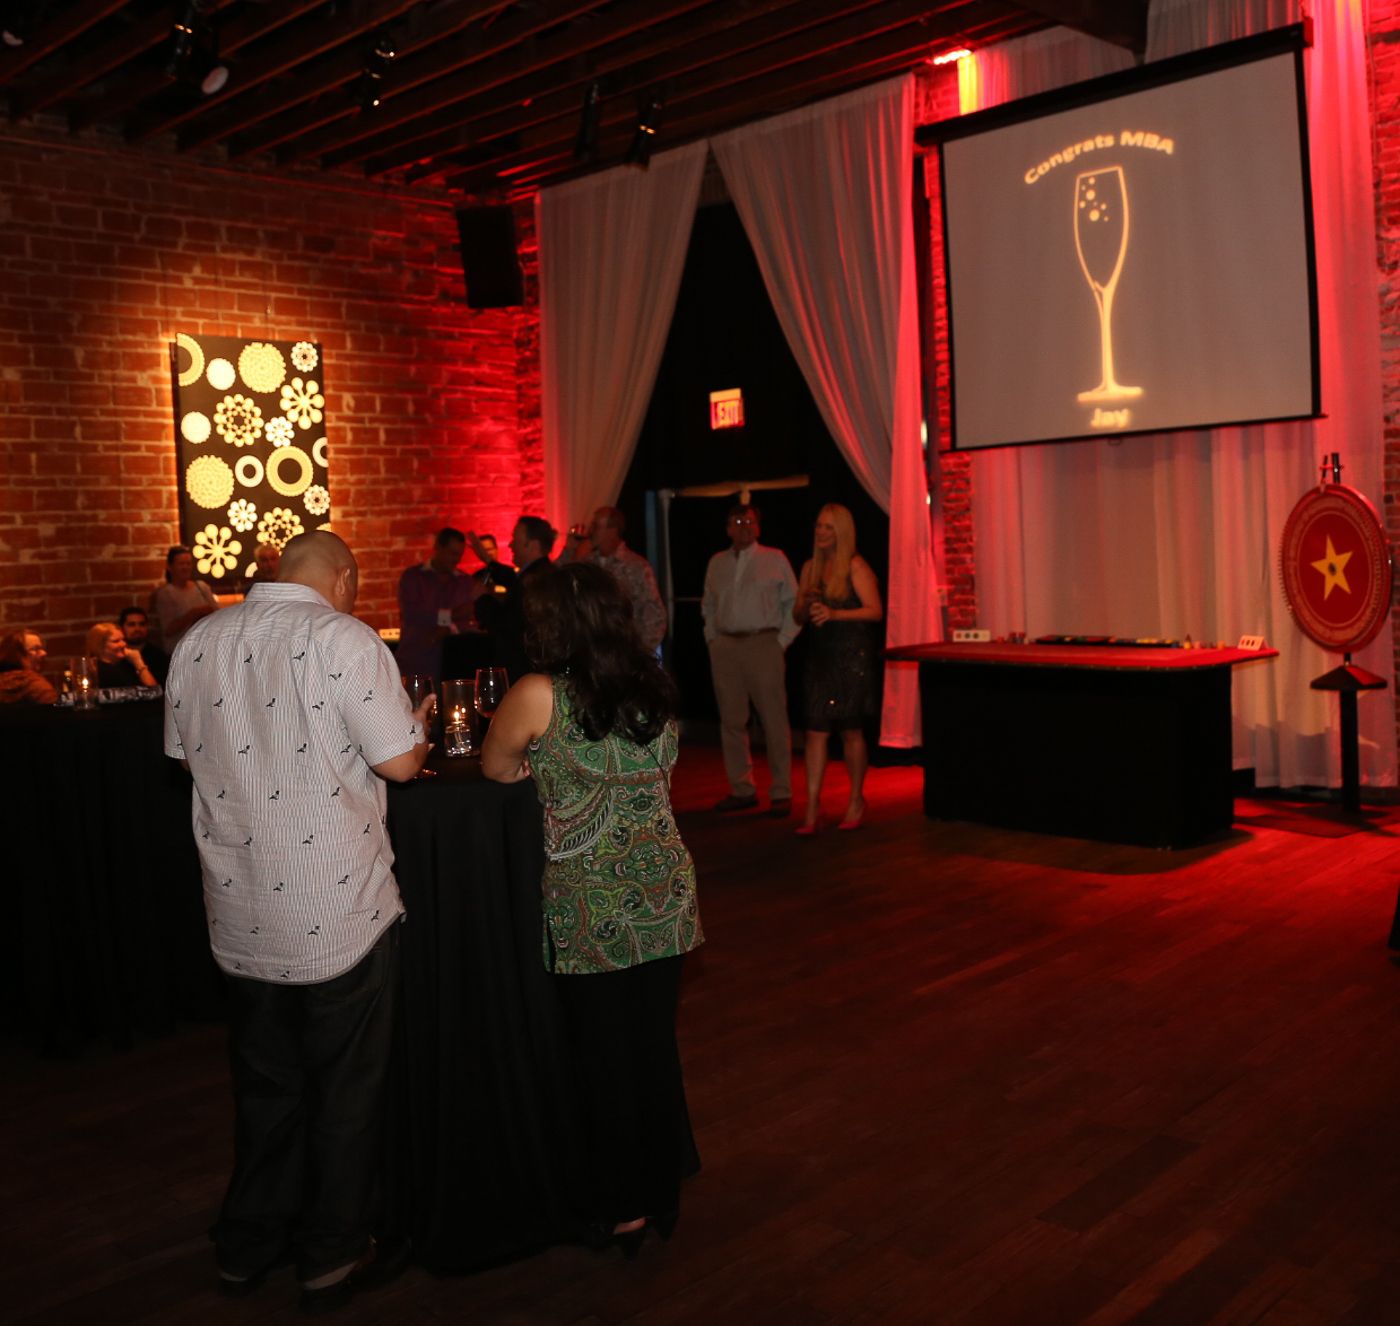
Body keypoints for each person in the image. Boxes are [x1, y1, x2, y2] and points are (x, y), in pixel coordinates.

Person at [163, 530, 431, 1312]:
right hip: (336, 909)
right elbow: (401, 763)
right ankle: (331, 1256)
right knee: (346, 1094)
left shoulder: (197, 640)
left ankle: (247, 1247)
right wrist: (413, 724)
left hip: (241, 908)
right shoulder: (345, 639)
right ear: (343, 578)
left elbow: (184, 757)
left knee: (265, 1089)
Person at [482, 562, 702, 1252]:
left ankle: (625, 1207)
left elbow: (494, 766)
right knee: (651, 1046)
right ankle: (661, 1191)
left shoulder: (537, 693)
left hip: (592, 899)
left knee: (603, 1055)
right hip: (663, 887)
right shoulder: (655, 686)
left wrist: (543, 769)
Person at [701, 503, 800, 816]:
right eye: (738, 521)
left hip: (763, 643)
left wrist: (781, 641)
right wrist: (713, 638)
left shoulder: (775, 558)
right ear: (728, 528)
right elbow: (708, 604)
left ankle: (781, 790)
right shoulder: (717, 562)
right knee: (732, 721)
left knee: (773, 720)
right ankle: (742, 788)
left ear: (758, 527)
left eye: (750, 521)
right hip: (726, 646)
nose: (744, 527)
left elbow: (794, 604)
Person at [792, 504, 884, 834]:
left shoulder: (856, 566)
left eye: (829, 527)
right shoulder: (810, 568)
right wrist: (805, 604)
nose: (821, 532)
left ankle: (856, 799)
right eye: (819, 526)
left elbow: (875, 611)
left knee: (851, 730)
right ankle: (812, 807)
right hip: (821, 657)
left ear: (842, 532)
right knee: (815, 730)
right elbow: (797, 617)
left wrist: (835, 614)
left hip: (851, 656)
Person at [562, 507, 667, 653]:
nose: (590, 531)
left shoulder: (636, 566)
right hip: (590, 652)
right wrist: (569, 552)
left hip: (623, 652)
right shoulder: (587, 563)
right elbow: (558, 585)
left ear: (612, 530)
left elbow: (655, 616)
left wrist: (639, 653)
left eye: (596, 526)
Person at [476, 515, 555, 685]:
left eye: (515, 540)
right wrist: (489, 562)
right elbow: (512, 578)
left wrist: (482, 598)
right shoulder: (541, 571)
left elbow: (508, 625)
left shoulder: (535, 579)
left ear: (533, 545)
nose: (510, 545)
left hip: (522, 671)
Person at [397, 527, 476, 683]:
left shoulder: (465, 581)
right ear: (438, 548)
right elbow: (412, 615)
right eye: (452, 553)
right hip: (416, 662)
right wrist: (452, 616)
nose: (457, 560)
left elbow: (470, 620)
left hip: (454, 666)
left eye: (459, 555)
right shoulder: (413, 577)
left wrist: (448, 628)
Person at [152, 545, 217, 649]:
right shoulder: (165, 594)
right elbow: (168, 630)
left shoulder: (201, 587)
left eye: (188, 564)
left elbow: (217, 615)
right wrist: (193, 614)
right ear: (169, 567)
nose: (186, 567)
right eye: (181, 564)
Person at [87, 620, 159, 689]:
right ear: (100, 646)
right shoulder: (104, 672)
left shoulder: (124, 664)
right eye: (116, 641)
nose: (123, 644)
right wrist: (139, 663)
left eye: (123, 640)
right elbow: (153, 691)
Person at [0, 628, 57, 705]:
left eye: (41, 648)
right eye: (35, 649)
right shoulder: (32, 682)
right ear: (17, 655)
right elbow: (56, 706)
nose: (44, 653)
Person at [118, 606, 170, 685]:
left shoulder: (159, 656)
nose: (137, 629)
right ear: (121, 627)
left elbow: (161, 689)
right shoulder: (116, 655)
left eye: (142, 624)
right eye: (131, 625)